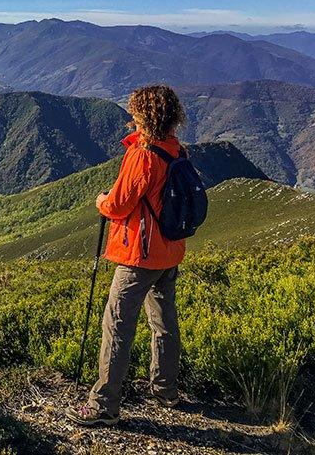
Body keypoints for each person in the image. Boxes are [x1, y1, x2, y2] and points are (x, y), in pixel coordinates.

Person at [65, 85, 187, 427]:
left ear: (142, 116)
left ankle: (103, 404)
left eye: (134, 113)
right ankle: (166, 390)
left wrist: (101, 200)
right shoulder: (177, 151)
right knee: (163, 322)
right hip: (170, 251)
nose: (130, 118)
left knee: (117, 324)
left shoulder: (143, 155)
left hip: (140, 255)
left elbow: (118, 205)